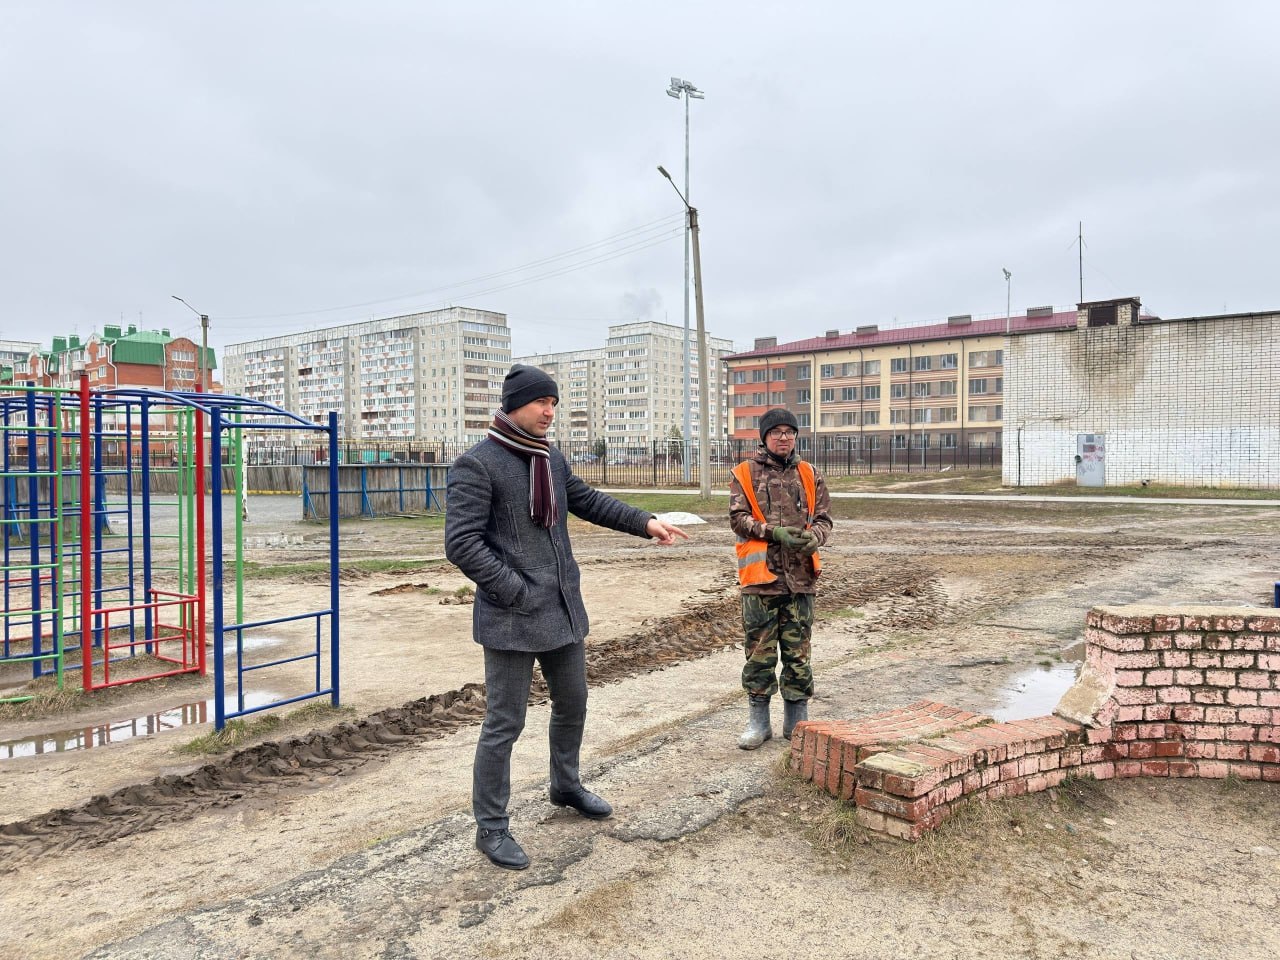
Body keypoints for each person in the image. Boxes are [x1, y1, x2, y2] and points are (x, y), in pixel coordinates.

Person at [445, 364, 688, 870]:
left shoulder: (549, 458)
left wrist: (646, 522)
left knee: (573, 703)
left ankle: (565, 785)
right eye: (542, 402)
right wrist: (514, 589)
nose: (550, 412)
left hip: (561, 610)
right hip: (512, 617)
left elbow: (588, 501)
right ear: (515, 404)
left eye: (554, 403)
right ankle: (491, 826)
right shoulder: (478, 464)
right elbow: (462, 543)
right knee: (504, 723)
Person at [727, 408, 833, 749]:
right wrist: (774, 533)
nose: (783, 437)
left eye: (789, 432)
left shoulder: (810, 474)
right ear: (765, 437)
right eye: (776, 432)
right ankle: (759, 723)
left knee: (798, 654)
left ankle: (796, 723)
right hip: (761, 580)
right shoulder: (745, 473)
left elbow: (824, 519)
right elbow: (738, 519)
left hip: (800, 579)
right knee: (760, 654)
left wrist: (816, 537)